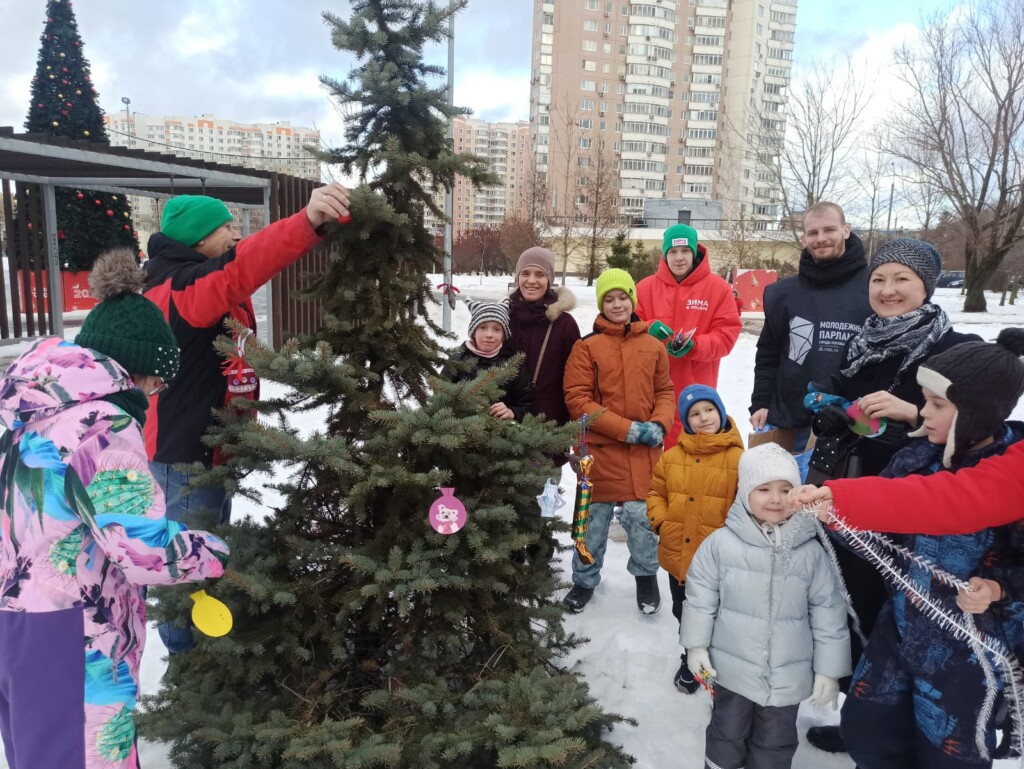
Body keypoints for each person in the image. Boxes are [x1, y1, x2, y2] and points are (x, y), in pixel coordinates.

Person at [0, 250, 230, 769]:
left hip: (18, 618)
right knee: (83, 757)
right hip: (72, 630)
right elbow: (139, 545)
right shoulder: (101, 426)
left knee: (42, 754)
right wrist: (214, 553)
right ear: (137, 371)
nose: (159, 393)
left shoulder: (34, 412)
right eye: (159, 381)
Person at [803, 236, 981, 753]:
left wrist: (911, 413)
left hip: (918, 511)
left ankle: (910, 733)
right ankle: (865, 721)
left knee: (906, 622)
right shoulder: (862, 343)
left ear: (926, 285)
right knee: (858, 609)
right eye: (879, 279)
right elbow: (841, 405)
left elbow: (979, 428)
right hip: (855, 501)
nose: (888, 289)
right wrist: (833, 413)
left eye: (902, 278)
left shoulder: (956, 349)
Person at [837, 329, 1024, 769]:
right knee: (867, 729)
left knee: (947, 755)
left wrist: (996, 588)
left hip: (966, 658)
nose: (924, 413)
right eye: (925, 400)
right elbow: (876, 524)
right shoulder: (916, 457)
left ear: (977, 412)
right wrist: (828, 510)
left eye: (939, 404)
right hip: (898, 630)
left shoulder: (1011, 480)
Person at [144, 182, 351, 524]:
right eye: (226, 227)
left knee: (213, 556)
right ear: (198, 238)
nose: (235, 234)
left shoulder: (192, 279)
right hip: (186, 456)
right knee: (189, 561)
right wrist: (306, 221)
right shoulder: (184, 287)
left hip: (212, 450)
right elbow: (244, 266)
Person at [681, 443, 850, 769]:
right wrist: (696, 647)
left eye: (785, 489)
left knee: (776, 741)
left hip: (788, 676)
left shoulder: (811, 552)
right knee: (726, 732)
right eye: (764, 489)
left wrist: (829, 669)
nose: (775, 498)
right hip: (732, 671)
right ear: (745, 492)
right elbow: (700, 600)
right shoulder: (720, 546)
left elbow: (828, 611)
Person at [562, 268, 675, 614]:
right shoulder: (586, 347)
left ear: (632, 300)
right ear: (600, 304)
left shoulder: (653, 346)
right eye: (609, 299)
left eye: (622, 297)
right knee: (591, 524)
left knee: (643, 522)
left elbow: (665, 391)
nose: (616, 304)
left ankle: (646, 577)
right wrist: (625, 429)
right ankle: (583, 580)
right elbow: (578, 400)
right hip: (600, 454)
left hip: (643, 454)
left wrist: (659, 423)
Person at [749, 202, 871, 451]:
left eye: (830, 230)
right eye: (813, 233)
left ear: (846, 230)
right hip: (790, 422)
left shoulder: (874, 287)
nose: (821, 238)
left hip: (855, 425)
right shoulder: (783, 293)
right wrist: (761, 402)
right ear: (804, 238)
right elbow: (768, 354)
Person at [647, 384, 743, 693]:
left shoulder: (740, 458)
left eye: (709, 409)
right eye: (695, 413)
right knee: (684, 612)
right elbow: (655, 493)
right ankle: (691, 656)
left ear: (721, 411)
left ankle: (721, 662)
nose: (704, 418)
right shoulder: (672, 457)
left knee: (719, 616)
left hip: (720, 562)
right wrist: (661, 522)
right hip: (679, 557)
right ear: (686, 421)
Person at [636, 223, 741, 447]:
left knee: (692, 458)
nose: (679, 258)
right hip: (650, 388)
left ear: (695, 252)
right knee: (654, 458)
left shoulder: (717, 288)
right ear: (664, 254)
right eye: (672, 251)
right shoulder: (644, 288)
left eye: (685, 251)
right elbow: (627, 327)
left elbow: (727, 335)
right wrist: (647, 328)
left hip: (696, 391)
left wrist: (695, 346)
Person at [507, 247, 581, 435]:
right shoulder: (503, 317)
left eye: (539, 274)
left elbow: (576, 379)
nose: (531, 280)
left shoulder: (565, 324)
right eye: (525, 273)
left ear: (549, 280)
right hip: (504, 422)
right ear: (518, 278)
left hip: (548, 426)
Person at [443, 297, 532, 421]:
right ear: (473, 332)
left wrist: (513, 412)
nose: (489, 334)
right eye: (483, 327)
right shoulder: (457, 360)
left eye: (496, 329)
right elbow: (440, 398)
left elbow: (526, 403)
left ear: (503, 335)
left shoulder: (514, 362)